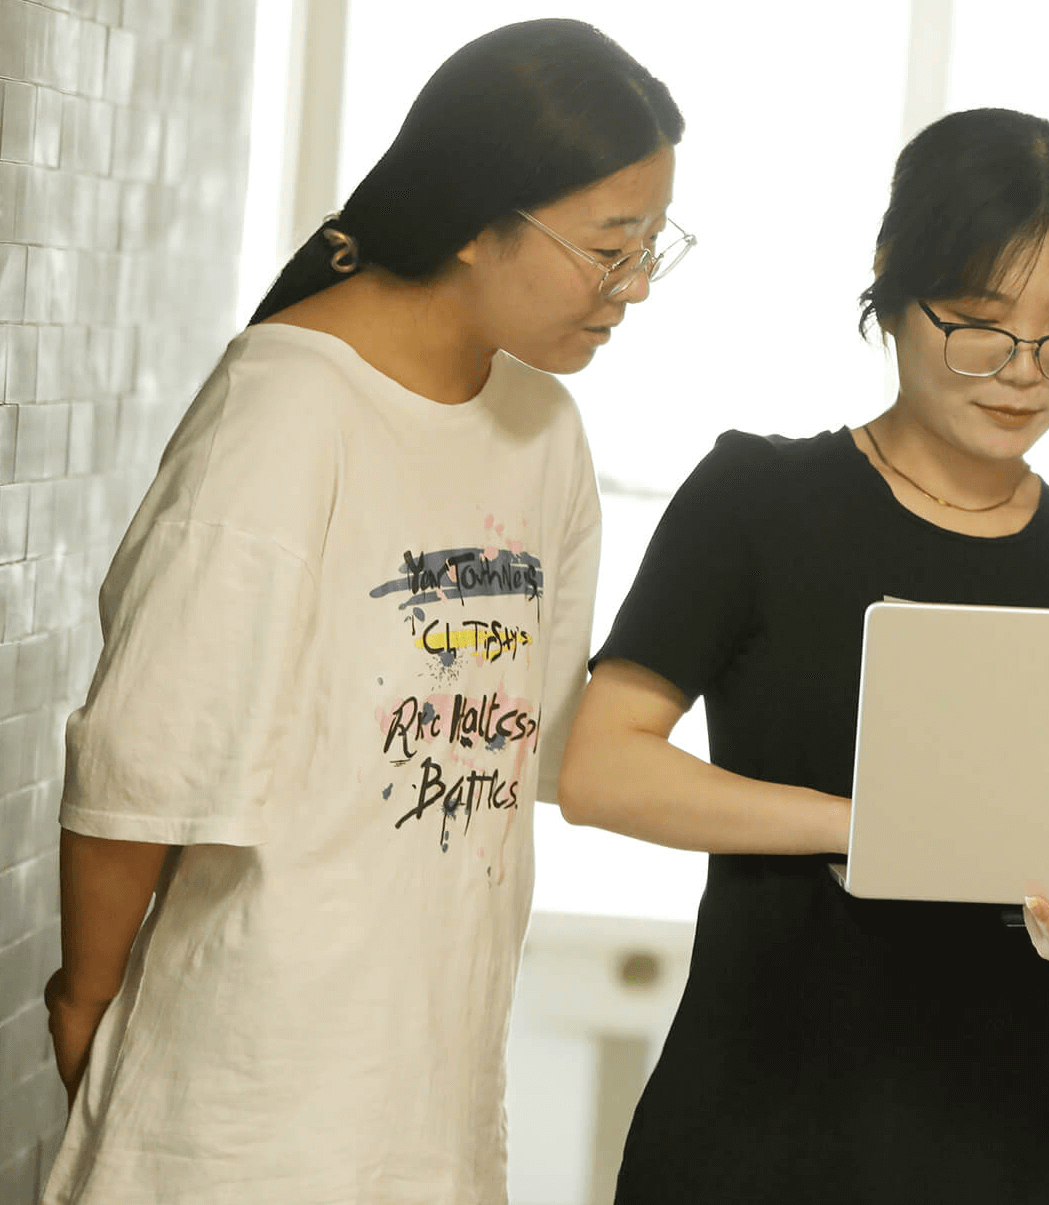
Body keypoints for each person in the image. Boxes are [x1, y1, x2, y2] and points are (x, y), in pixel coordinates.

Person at [39, 20, 686, 1205]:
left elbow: (539, 742)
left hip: (431, 1095)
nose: (636, 285)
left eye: (653, 245)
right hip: (242, 1102)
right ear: (478, 218)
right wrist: (86, 1002)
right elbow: (148, 761)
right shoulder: (286, 407)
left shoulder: (543, 429)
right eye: (610, 246)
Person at [556, 106, 1049, 1204]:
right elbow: (601, 767)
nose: (1023, 373)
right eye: (980, 325)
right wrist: (868, 825)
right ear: (891, 282)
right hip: (750, 1129)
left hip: (989, 1145)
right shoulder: (757, 502)